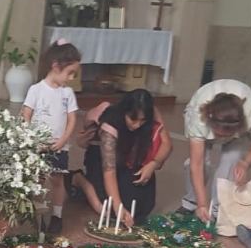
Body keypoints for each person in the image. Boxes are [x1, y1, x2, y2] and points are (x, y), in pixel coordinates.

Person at [70, 89, 171, 226]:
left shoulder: (149, 111)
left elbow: (167, 144)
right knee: (108, 209)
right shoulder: (109, 127)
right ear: (124, 112)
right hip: (101, 158)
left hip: (129, 156)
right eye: (133, 119)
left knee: (142, 208)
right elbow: (109, 172)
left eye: (142, 121)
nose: (137, 125)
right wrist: (118, 207)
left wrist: (153, 164)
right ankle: (80, 180)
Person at [176, 79, 251, 224]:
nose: (222, 138)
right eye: (219, 134)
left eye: (227, 135)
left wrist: (245, 163)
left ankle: (217, 210)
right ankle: (191, 203)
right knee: (198, 163)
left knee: (231, 162)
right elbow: (197, 163)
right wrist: (202, 203)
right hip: (203, 123)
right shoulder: (198, 117)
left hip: (237, 133)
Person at [23, 39, 81, 234]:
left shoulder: (67, 93)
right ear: (55, 66)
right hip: (39, 146)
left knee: (57, 180)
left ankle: (57, 216)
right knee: (38, 180)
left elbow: (72, 119)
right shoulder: (36, 90)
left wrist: (63, 139)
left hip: (59, 147)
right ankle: (36, 215)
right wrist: (32, 139)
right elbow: (26, 114)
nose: (71, 78)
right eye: (70, 73)